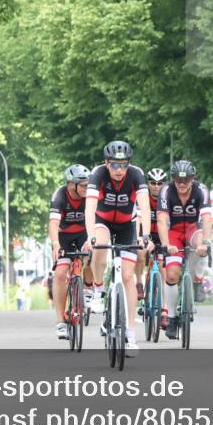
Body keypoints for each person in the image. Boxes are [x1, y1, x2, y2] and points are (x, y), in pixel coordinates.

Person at [84, 141, 151, 356]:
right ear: (106, 163)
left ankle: (130, 335)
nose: (119, 170)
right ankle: (98, 289)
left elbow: (145, 207)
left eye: (123, 165)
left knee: (128, 276)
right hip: (102, 220)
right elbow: (90, 207)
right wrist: (90, 235)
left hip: (126, 224)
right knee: (100, 250)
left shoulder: (136, 175)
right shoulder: (97, 174)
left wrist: (146, 235)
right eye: (114, 165)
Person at [157, 160, 212, 340]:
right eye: (178, 180)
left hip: (192, 229)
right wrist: (166, 244)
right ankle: (172, 317)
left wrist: (206, 241)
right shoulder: (166, 190)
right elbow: (162, 220)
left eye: (186, 180)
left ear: (193, 178)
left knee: (201, 246)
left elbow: (206, 218)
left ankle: (198, 278)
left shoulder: (201, 190)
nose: (182, 184)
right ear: (173, 179)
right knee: (172, 275)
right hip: (173, 232)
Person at [48, 164, 93, 339]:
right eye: (82, 186)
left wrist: (92, 239)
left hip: (83, 234)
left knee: (94, 254)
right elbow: (53, 224)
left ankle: (88, 288)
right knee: (60, 274)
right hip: (64, 237)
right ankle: (60, 322)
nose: (86, 189)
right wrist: (55, 244)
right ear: (71, 185)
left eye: (88, 185)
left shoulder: (90, 196)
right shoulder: (59, 196)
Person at [135, 168, 168, 317]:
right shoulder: (142, 196)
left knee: (162, 267)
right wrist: (138, 237)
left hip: (161, 234)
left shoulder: (167, 197)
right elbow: (138, 219)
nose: (156, 186)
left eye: (159, 183)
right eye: (153, 183)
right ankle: (139, 283)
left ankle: (164, 308)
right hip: (145, 233)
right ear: (148, 183)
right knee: (140, 253)